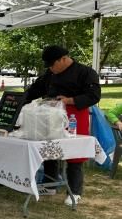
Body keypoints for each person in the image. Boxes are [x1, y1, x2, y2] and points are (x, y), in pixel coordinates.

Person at [26, 45, 101, 205]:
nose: (51, 69)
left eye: (52, 65)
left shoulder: (86, 72)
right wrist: (19, 100)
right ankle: (50, 184)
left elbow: (94, 96)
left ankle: (74, 191)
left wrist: (69, 100)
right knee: (49, 147)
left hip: (74, 116)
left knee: (74, 153)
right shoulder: (50, 74)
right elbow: (35, 90)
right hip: (51, 115)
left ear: (63, 59)